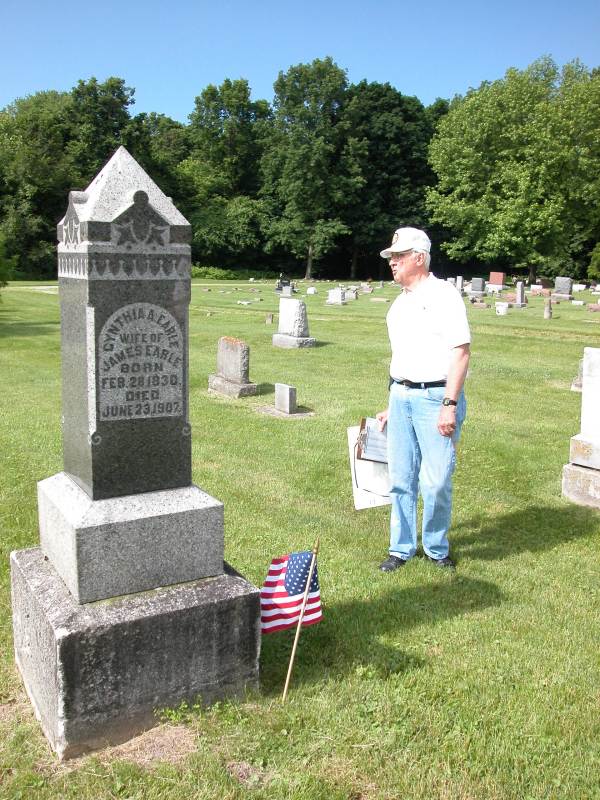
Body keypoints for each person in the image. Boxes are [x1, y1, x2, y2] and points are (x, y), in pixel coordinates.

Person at [376, 227, 470, 571]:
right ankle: (400, 548)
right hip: (401, 395)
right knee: (401, 478)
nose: (393, 262)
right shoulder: (399, 303)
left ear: (419, 257)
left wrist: (449, 404)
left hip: (435, 396)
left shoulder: (443, 295)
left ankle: (434, 546)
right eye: (392, 257)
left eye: (399, 256)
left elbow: (460, 353)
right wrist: (393, 401)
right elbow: (403, 357)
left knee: (436, 480)